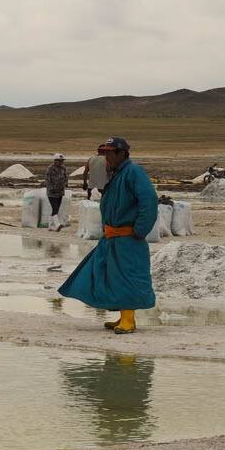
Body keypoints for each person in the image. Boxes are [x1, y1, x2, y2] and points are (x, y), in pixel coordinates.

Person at [58, 137, 158, 334]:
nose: (106, 157)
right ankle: (123, 316)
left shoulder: (133, 172)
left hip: (128, 237)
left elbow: (149, 200)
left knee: (128, 276)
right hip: (112, 237)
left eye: (110, 153)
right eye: (104, 153)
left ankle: (129, 320)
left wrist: (140, 230)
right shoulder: (116, 174)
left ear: (122, 153)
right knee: (109, 274)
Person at [43, 153, 68, 231]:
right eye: (59, 161)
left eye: (62, 161)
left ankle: (50, 226)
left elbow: (65, 177)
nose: (61, 162)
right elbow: (47, 179)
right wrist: (51, 188)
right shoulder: (50, 168)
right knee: (55, 208)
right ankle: (57, 225)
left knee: (56, 209)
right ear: (55, 161)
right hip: (52, 192)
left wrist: (66, 184)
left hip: (60, 191)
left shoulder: (63, 168)